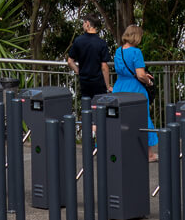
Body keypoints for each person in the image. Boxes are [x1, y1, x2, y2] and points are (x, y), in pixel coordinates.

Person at [110, 23, 158, 155]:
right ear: (137, 37)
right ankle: (149, 153)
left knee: (120, 118)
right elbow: (140, 75)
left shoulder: (118, 51)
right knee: (143, 117)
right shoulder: (136, 52)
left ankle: (121, 149)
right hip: (135, 89)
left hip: (119, 86)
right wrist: (149, 82)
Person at [66, 14, 112, 99]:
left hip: (84, 82)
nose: (83, 25)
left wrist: (79, 72)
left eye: (83, 23)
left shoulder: (78, 41)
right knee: (99, 109)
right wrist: (108, 86)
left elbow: (70, 61)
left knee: (86, 106)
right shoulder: (101, 43)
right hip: (98, 82)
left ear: (87, 23)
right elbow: (104, 67)